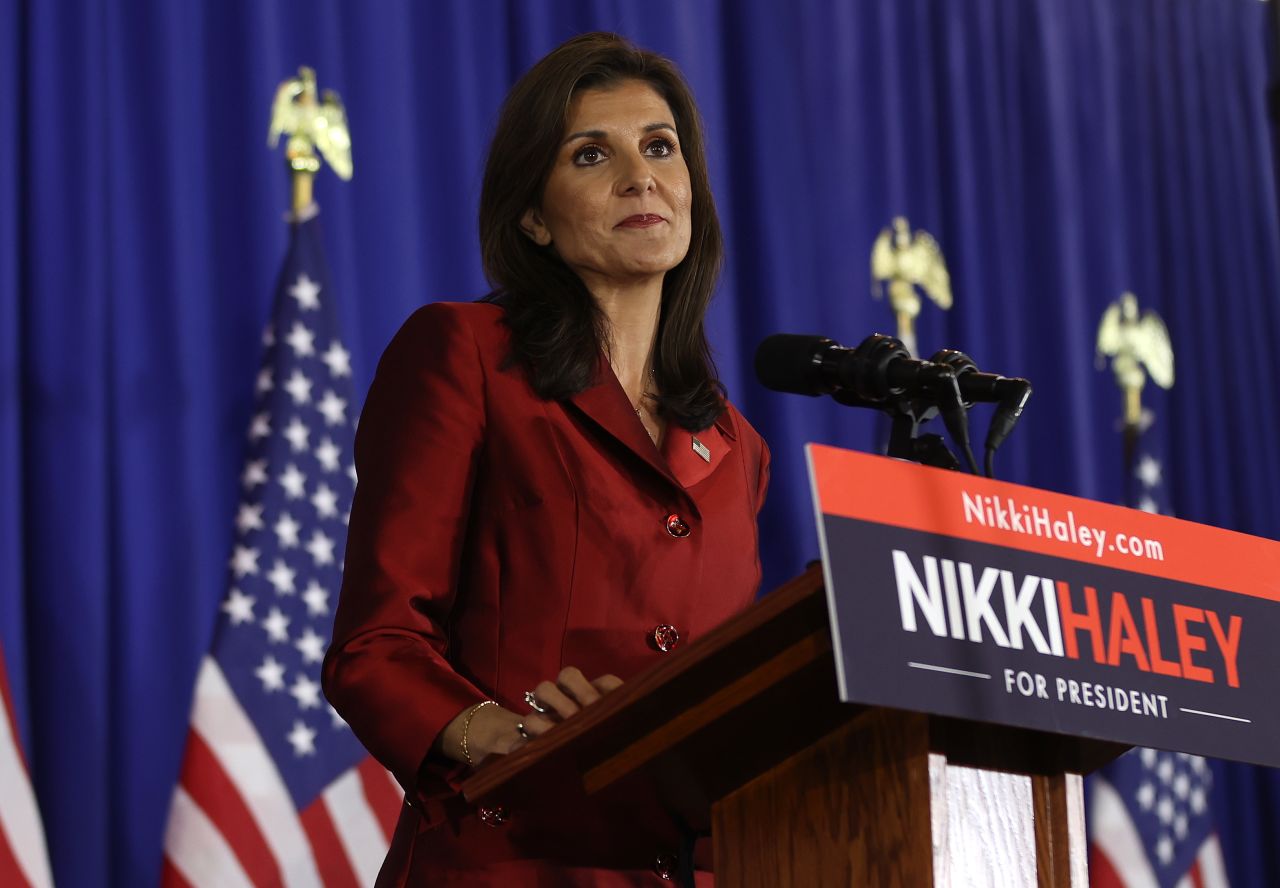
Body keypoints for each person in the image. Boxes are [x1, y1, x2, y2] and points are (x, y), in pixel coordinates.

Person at [322, 31, 770, 887]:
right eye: (591, 154)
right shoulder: (465, 354)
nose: (640, 175)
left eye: (661, 147)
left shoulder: (737, 448)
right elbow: (374, 643)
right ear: (533, 215)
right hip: (507, 860)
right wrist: (485, 727)